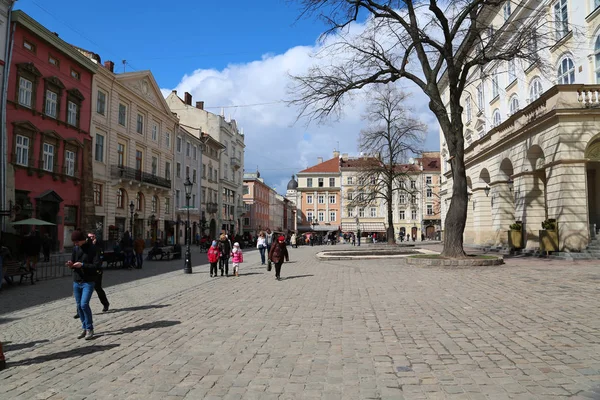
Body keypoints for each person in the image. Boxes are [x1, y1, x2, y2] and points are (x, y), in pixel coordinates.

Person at [67, 230, 102, 340]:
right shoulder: (75, 249)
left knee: (84, 304)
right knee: (79, 306)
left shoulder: (93, 249)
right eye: (74, 242)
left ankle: (90, 329)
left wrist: (82, 265)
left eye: (77, 241)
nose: (75, 244)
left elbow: (96, 266)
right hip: (77, 281)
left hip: (88, 281)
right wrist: (70, 265)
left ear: (82, 239)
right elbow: (73, 263)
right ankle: (84, 327)